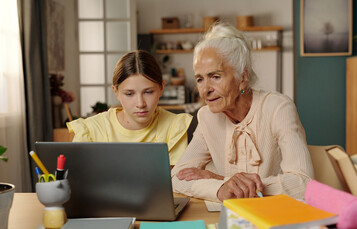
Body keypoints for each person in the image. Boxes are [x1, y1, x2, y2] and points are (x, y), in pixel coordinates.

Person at [171, 23, 314, 202]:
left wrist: (221, 181)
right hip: (230, 217)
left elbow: (304, 183)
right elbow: (176, 178)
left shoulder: (278, 108)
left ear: (242, 78)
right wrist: (221, 188)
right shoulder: (207, 116)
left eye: (215, 77)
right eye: (200, 79)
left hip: (274, 216)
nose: (205, 90)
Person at [67, 50, 192, 165]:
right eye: (129, 94)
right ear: (116, 92)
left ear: (161, 88)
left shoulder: (175, 127)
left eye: (148, 92)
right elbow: (77, 181)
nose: (140, 103)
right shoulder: (90, 130)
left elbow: (174, 182)